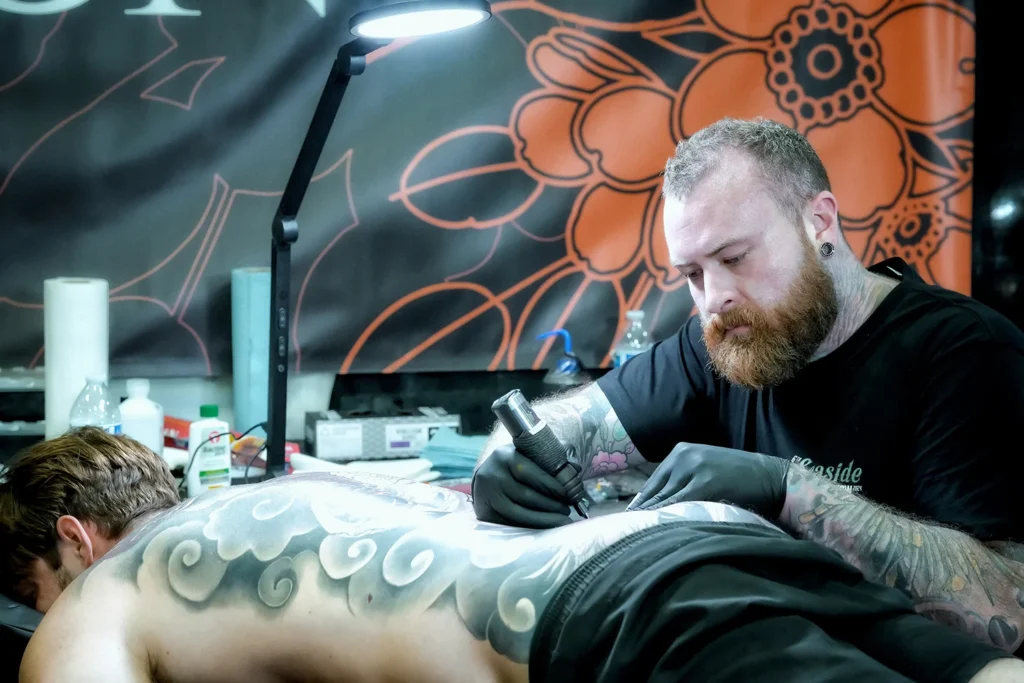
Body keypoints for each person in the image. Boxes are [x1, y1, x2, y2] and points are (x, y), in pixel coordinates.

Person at [471, 116, 1024, 654]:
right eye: (692, 274)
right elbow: (563, 426)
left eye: (734, 258)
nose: (713, 297)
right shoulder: (722, 341)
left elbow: (1010, 607)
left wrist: (790, 493)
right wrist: (513, 460)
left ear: (820, 223)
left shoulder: (967, 352)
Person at [2, 429, 1022, 682]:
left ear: (72, 542)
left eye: (38, 593)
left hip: (618, 616)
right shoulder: (287, 492)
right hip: (686, 546)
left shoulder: (100, 602)